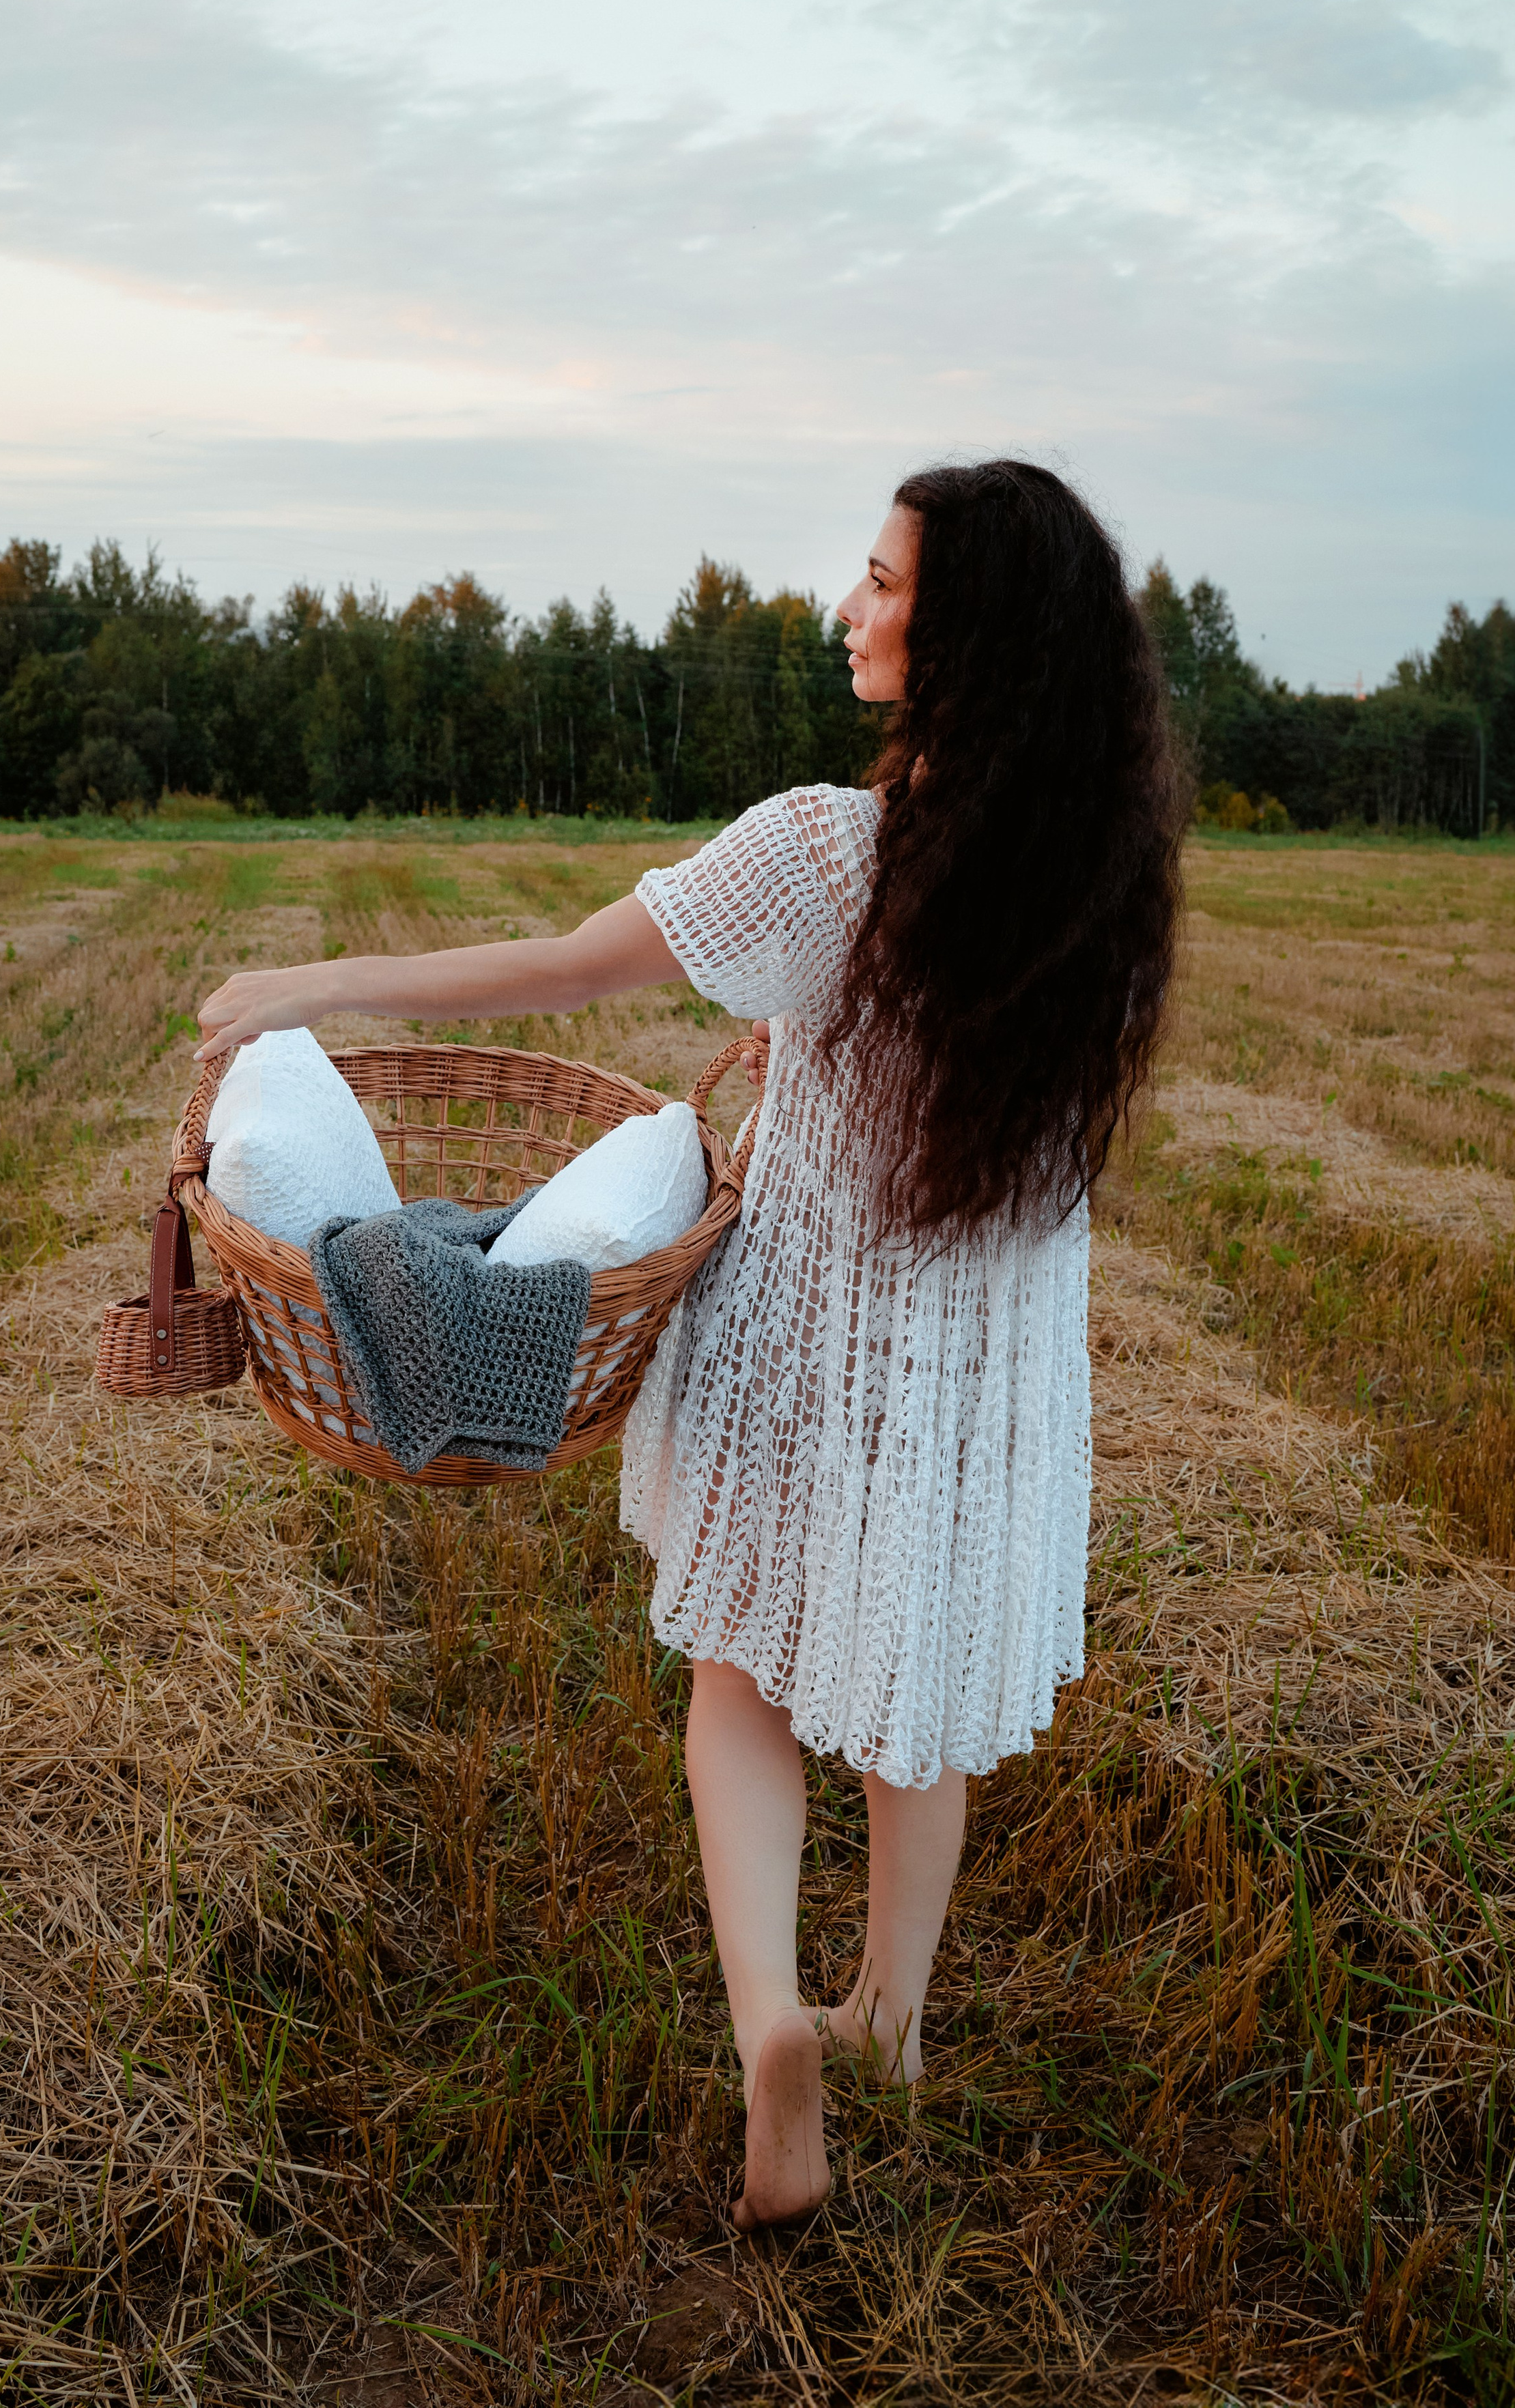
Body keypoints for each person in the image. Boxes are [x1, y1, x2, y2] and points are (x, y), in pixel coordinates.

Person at [195, 460, 1186, 2231]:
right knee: (915, 1706)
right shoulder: (1107, 897)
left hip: (801, 1346)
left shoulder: (828, 851)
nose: (852, 610)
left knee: (739, 1683)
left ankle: (769, 2029)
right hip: (972, 1383)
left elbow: (573, 968)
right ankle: (889, 2017)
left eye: (885, 586)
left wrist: (321, 985)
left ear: (964, 639)